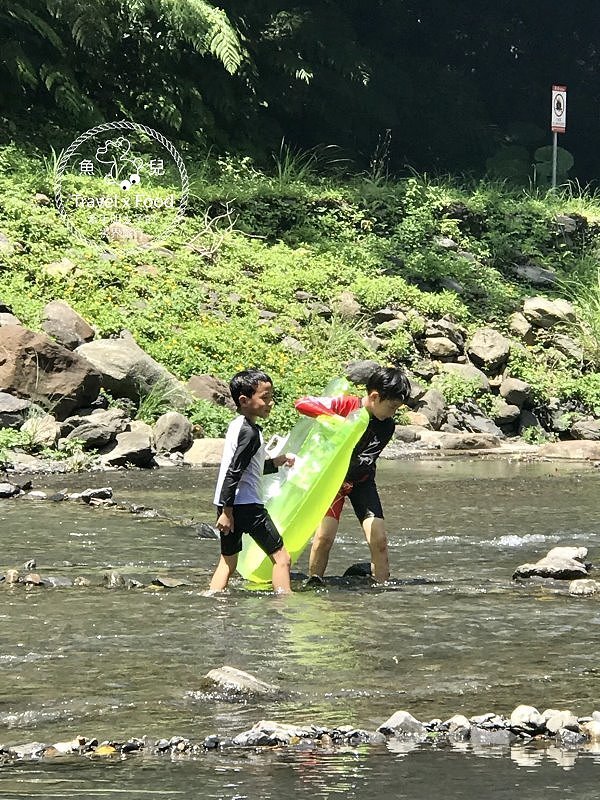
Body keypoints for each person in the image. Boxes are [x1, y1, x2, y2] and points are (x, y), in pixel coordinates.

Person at [295, 366, 409, 584]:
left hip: (362, 483)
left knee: (379, 540)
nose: (393, 413)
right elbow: (302, 403)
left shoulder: (387, 426)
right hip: (333, 482)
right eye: (391, 407)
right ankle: (314, 583)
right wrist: (337, 421)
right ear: (374, 397)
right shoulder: (347, 406)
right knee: (324, 538)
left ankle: (382, 587)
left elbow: (366, 458)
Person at [208, 368, 294, 594]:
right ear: (244, 401)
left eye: (271, 397)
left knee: (228, 562)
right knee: (282, 558)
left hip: (227, 504)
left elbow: (248, 467)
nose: (270, 403)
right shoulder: (251, 433)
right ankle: (284, 605)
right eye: (265, 398)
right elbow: (234, 471)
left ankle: (213, 600)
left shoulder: (238, 426)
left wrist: (277, 462)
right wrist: (228, 513)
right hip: (247, 507)